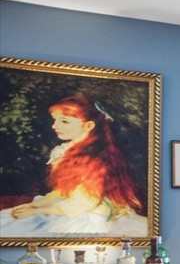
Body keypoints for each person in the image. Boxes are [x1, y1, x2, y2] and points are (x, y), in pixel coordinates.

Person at [5, 94, 147, 236]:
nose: (54, 126)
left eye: (64, 121)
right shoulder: (67, 152)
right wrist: (35, 205)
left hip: (88, 216)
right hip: (68, 208)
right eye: (55, 120)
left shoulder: (95, 159)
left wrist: (40, 210)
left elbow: (84, 202)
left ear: (89, 126)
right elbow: (63, 192)